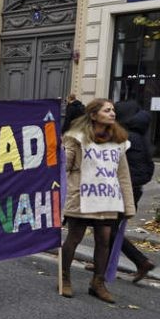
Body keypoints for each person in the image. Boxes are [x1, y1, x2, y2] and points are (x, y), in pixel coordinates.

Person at [60, 98, 135, 303]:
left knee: (103, 241)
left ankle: (98, 283)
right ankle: (64, 278)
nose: (112, 113)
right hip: (82, 198)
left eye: (113, 110)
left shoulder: (118, 141)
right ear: (93, 115)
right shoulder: (75, 137)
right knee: (74, 238)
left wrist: (128, 206)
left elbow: (123, 175)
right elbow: (64, 168)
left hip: (107, 200)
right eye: (107, 110)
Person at [114, 100, 156, 283]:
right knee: (111, 227)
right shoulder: (140, 135)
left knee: (110, 230)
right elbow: (148, 169)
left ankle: (141, 261)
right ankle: (106, 262)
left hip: (125, 190)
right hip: (132, 190)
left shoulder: (128, 137)